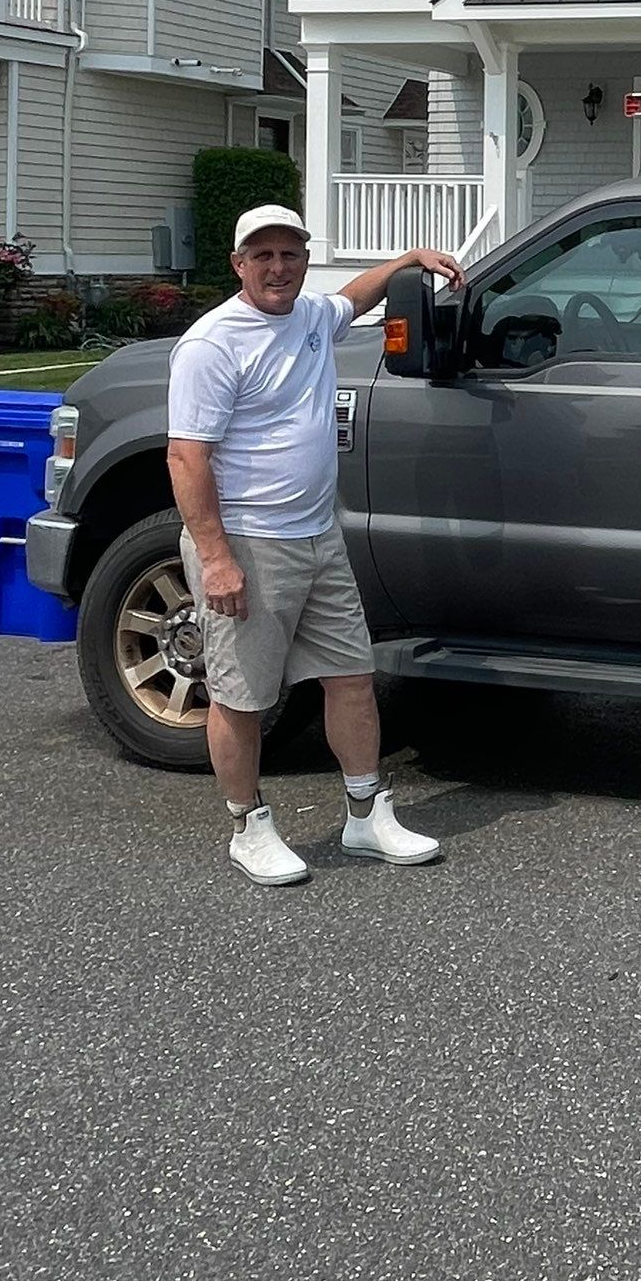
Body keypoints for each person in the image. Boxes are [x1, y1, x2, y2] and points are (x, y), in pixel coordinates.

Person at [166, 202, 462, 887]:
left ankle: (365, 814)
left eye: (290, 254)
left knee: (352, 679)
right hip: (248, 544)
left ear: (303, 259)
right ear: (238, 265)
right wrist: (215, 560)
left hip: (316, 535)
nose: (278, 268)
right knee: (242, 698)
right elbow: (186, 457)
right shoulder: (214, 343)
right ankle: (249, 826)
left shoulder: (309, 318)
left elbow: (353, 298)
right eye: (262, 256)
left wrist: (410, 260)